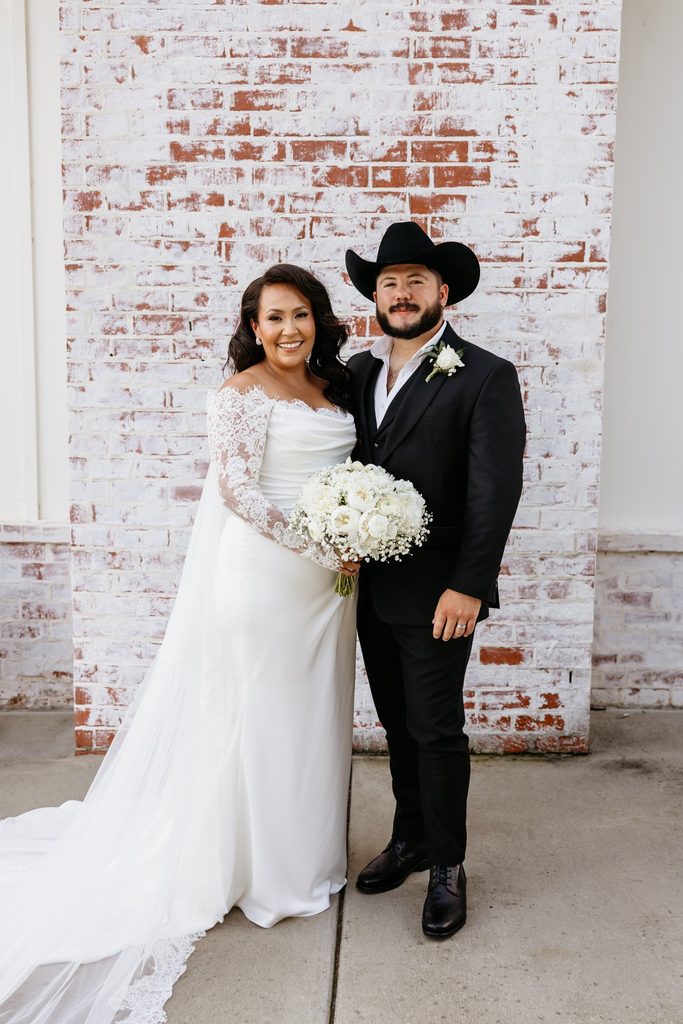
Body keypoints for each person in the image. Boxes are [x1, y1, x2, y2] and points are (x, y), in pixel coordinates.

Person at [0, 264, 360, 1023]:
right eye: (273, 318)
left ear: (318, 320)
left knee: (309, 717)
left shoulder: (332, 389)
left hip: (328, 587)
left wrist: (355, 531)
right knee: (258, 716)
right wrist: (320, 546)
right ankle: (255, 872)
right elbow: (237, 490)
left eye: (300, 315)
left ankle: (304, 857)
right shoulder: (239, 395)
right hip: (267, 576)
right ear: (252, 327)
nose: (288, 330)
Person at [345, 221, 526, 939]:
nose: (401, 292)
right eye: (388, 282)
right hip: (368, 589)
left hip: (440, 592)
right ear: (375, 297)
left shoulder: (483, 374)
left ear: (442, 292)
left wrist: (469, 585)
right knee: (395, 723)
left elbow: (494, 490)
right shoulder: (358, 373)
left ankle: (448, 867)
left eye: (415, 280)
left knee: (436, 729)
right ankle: (410, 837)